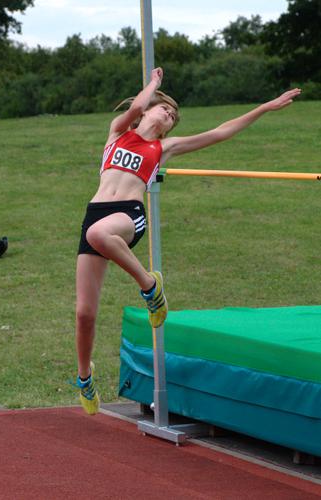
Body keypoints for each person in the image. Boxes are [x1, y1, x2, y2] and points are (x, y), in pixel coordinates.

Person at [74, 67, 301, 414]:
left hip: (128, 215)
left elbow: (219, 133)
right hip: (97, 210)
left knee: (98, 234)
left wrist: (264, 107)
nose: (169, 115)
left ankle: (150, 286)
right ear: (149, 108)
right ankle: (84, 376)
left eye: (173, 116)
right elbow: (133, 110)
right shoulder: (118, 132)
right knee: (84, 313)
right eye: (165, 109)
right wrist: (153, 84)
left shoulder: (163, 148)